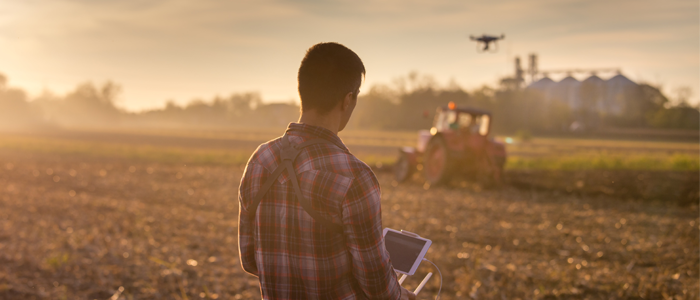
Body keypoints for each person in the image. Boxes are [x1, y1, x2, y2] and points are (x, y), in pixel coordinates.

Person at [238, 42, 416, 299]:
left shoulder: (259, 160)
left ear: (302, 90)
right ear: (348, 100)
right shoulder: (354, 176)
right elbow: (377, 285)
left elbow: (249, 259)